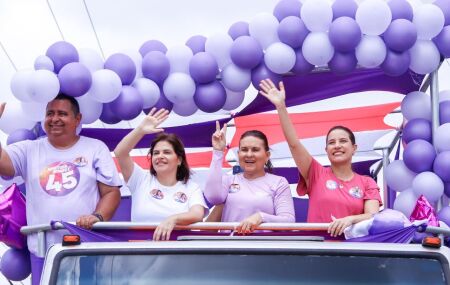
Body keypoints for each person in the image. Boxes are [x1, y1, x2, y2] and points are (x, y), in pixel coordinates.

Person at [0, 94, 121, 283]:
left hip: (85, 249)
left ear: (77, 119)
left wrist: (96, 217)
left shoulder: (95, 148)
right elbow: (3, 164)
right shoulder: (29, 149)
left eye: (62, 114)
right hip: (42, 251)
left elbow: (111, 193)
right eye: (50, 113)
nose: (54, 119)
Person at [258, 79, 382, 237]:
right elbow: (294, 144)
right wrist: (281, 107)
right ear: (326, 150)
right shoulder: (316, 173)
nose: (337, 145)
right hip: (317, 251)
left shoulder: (366, 182)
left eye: (343, 141)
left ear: (354, 148)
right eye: (331, 142)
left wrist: (350, 220)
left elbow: (373, 216)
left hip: (352, 251)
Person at [113, 108, 208, 241]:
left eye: (167, 152)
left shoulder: (191, 187)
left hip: (176, 255)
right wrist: (140, 130)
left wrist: (173, 219)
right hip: (140, 255)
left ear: (179, 159)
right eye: (156, 153)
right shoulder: (140, 179)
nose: (160, 156)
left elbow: (197, 214)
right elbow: (120, 153)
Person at [204, 122, 295, 234]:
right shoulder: (228, 180)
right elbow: (213, 197)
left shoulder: (279, 182)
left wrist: (260, 217)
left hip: (263, 247)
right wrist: (218, 152)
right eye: (244, 149)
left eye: (255, 150)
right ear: (238, 154)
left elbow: (288, 222)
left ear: (267, 156)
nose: (249, 154)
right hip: (229, 247)